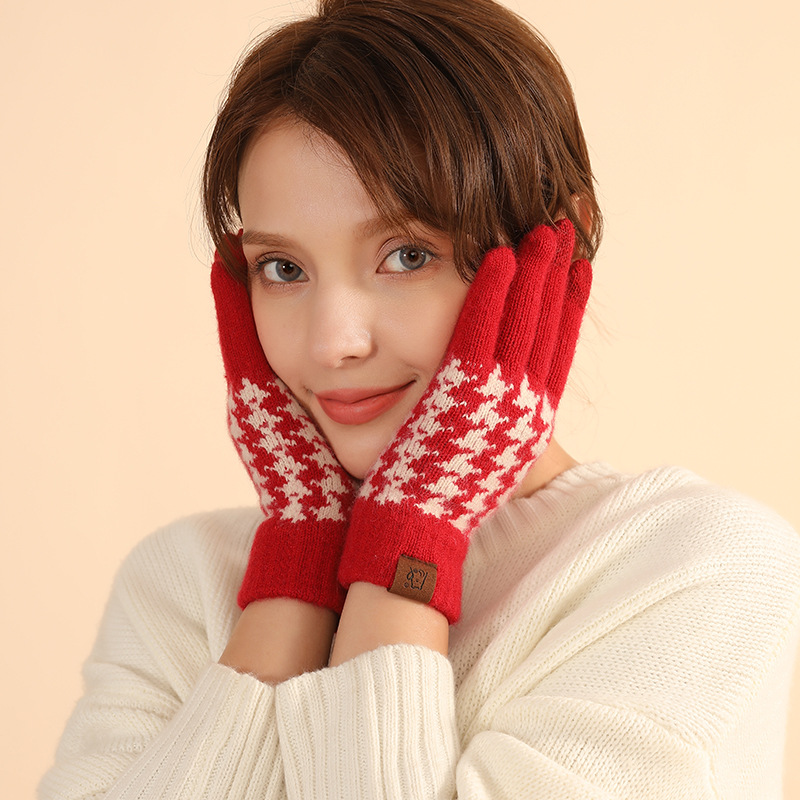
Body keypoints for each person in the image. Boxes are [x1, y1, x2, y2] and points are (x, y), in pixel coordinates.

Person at [39, 0, 800, 797]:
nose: (332, 343)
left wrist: (407, 539)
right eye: (283, 269)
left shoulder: (691, 566)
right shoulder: (181, 581)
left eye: (407, 255)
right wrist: (297, 570)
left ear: (552, 252)